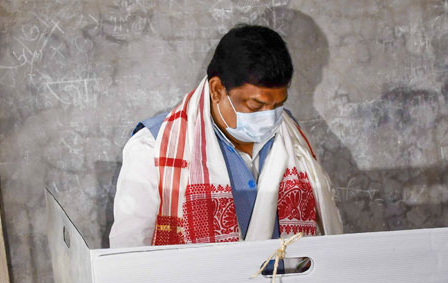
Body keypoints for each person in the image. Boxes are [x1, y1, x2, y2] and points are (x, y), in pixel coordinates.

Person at [109, 24, 342, 248]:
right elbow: (128, 254)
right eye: (255, 105)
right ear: (217, 90)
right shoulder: (152, 148)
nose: (269, 118)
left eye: (277, 105)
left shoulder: (292, 136)